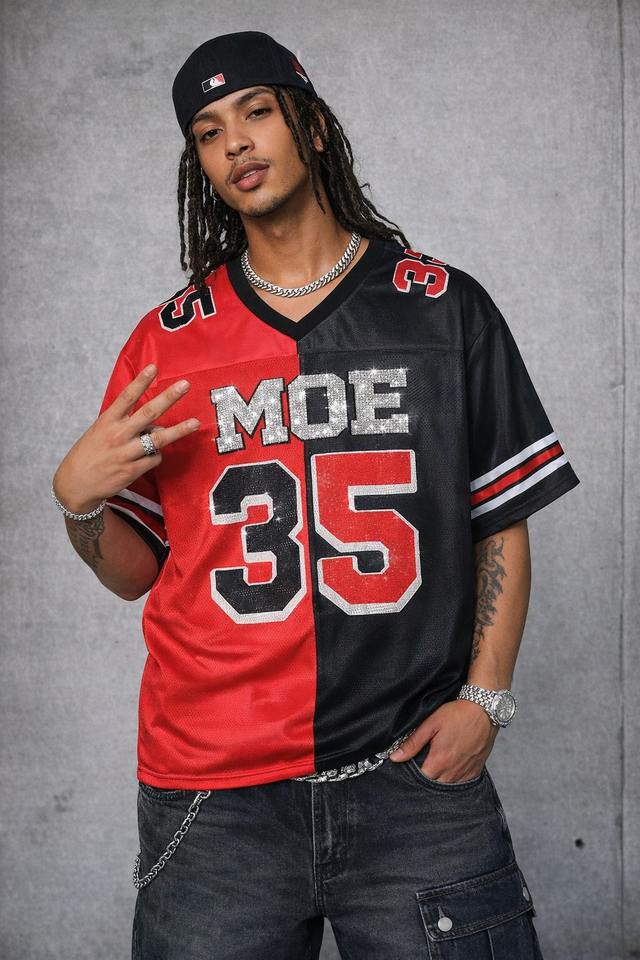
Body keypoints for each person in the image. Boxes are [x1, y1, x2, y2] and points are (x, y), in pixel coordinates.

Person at [52, 30, 580, 960]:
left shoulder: (441, 306)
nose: (236, 142)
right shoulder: (168, 342)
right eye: (208, 132)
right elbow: (134, 574)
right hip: (214, 798)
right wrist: (79, 504)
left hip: (411, 777)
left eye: (257, 111)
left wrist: (486, 700)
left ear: (315, 127)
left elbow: (500, 518)